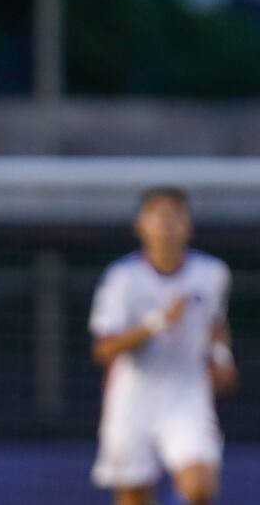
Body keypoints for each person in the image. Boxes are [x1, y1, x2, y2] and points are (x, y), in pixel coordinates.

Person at [89, 187, 238, 505]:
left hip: (187, 393)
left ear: (189, 226)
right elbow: (104, 350)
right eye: (159, 215)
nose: (167, 223)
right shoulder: (122, 279)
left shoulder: (212, 273)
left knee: (200, 488)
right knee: (134, 496)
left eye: (176, 215)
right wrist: (157, 322)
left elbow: (216, 324)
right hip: (133, 397)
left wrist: (221, 358)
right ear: (141, 226)